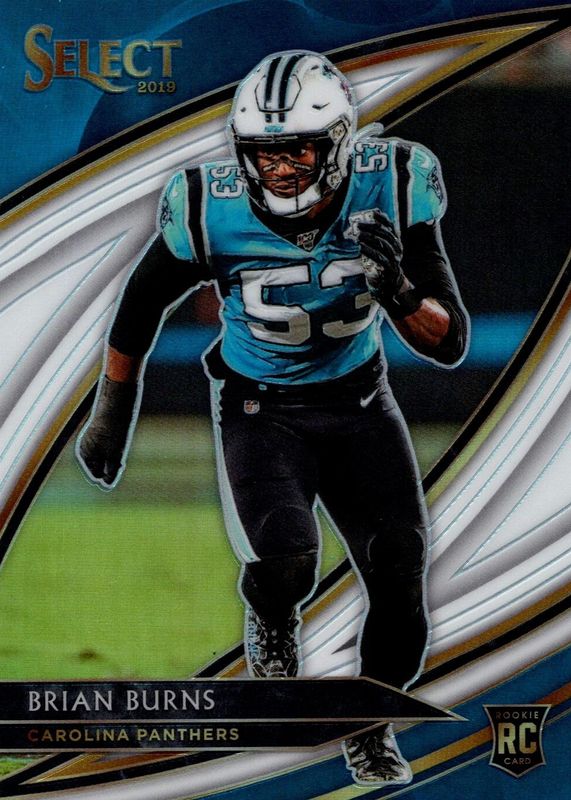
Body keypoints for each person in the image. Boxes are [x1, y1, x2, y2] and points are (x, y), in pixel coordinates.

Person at [77, 50, 468, 786]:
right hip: (261, 408)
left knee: (400, 569)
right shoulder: (210, 204)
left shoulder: (392, 182)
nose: (282, 168)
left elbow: (448, 343)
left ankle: (369, 725)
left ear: (339, 143)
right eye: (265, 152)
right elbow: (140, 304)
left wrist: (399, 290)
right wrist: (113, 410)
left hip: (359, 401)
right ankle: (271, 615)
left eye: (299, 150)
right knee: (287, 560)